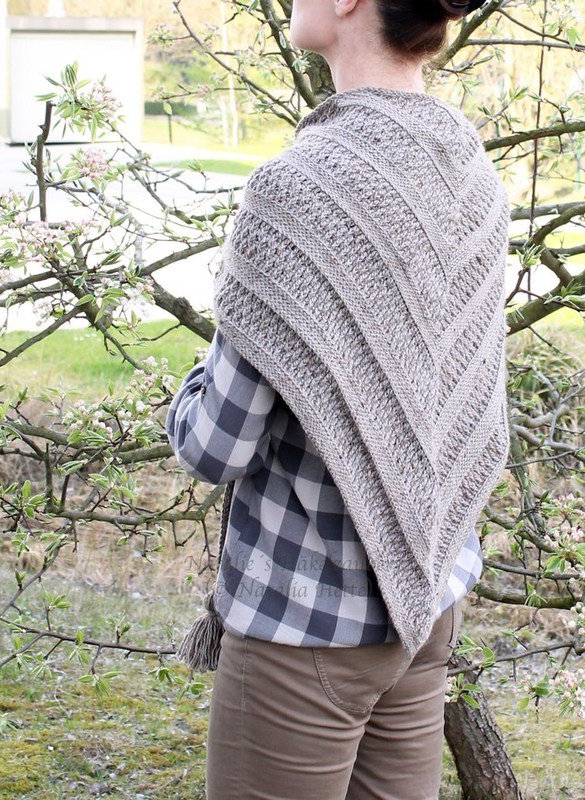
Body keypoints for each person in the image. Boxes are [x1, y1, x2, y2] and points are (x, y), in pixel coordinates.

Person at [166, 0, 508, 797]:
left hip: (303, 620)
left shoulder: (297, 190)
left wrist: (187, 386)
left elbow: (216, 444)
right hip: (427, 608)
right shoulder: (471, 173)